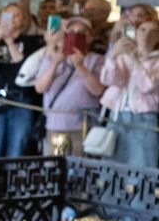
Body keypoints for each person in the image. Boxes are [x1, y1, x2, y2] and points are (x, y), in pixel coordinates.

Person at [33, 15, 106, 155]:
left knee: (79, 169)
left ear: (90, 37)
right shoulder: (51, 57)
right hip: (55, 124)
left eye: (82, 32)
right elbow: (40, 88)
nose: (76, 35)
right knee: (54, 167)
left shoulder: (97, 60)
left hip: (82, 125)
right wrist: (55, 63)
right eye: (72, 31)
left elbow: (97, 90)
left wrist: (80, 66)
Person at [0, 5, 43, 157]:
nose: (12, 19)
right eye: (8, 15)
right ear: (0, 18)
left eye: (17, 15)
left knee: (17, 150)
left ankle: (12, 180)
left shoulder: (32, 43)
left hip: (20, 99)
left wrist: (9, 42)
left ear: (23, 20)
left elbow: (24, 69)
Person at [100, 18, 159, 167]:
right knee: (112, 165)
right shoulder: (123, 56)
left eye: (154, 32)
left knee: (142, 165)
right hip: (117, 114)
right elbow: (108, 80)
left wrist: (135, 60)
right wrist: (112, 56)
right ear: (136, 33)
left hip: (144, 119)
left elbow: (147, 86)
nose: (147, 35)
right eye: (143, 30)